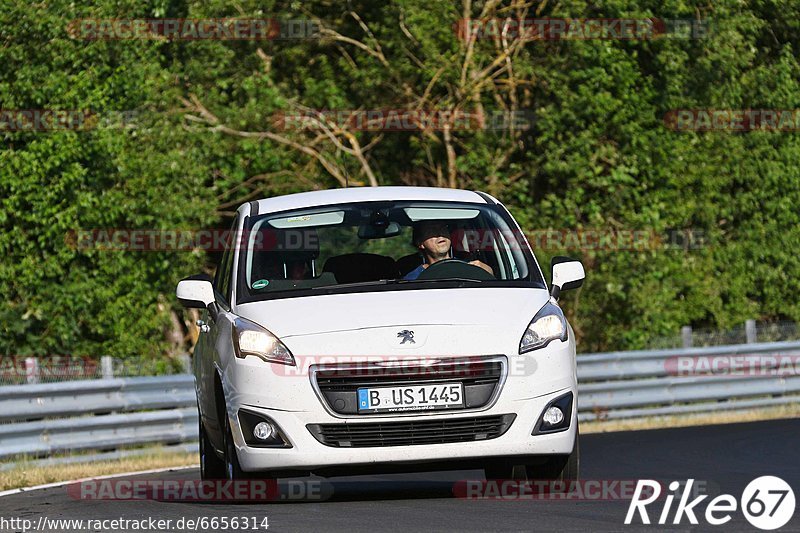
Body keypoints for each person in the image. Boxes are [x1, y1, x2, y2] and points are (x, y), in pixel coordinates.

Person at [403, 221, 493, 280]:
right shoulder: (413, 279)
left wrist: (488, 271)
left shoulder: (472, 267)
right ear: (420, 243)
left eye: (443, 228)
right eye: (431, 231)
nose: (440, 234)